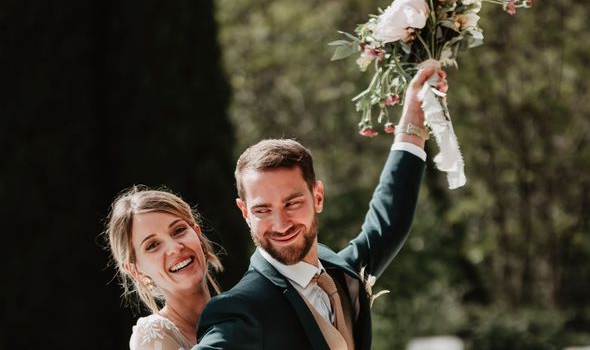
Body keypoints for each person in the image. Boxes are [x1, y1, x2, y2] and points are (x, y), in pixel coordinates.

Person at [194, 65, 446, 350]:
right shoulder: (241, 310)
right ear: (245, 213)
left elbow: (389, 223)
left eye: (292, 203)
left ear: (318, 197)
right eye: (263, 210)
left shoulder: (341, 273)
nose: (281, 223)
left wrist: (414, 115)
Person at [107, 186, 223, 350]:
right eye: (152, 245)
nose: (174, 248)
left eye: (179, 230)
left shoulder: (242, 310)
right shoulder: (152, 337)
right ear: (136, 270)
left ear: (198, 234)